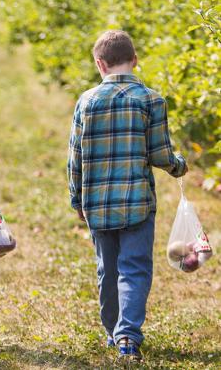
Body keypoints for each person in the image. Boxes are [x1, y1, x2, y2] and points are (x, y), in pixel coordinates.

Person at [67, 30, 188, 361]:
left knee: (107, 267)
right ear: (134, 60)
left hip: (98, 204)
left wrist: (77, 198)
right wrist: (179, 167)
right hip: (136, 203)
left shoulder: (87, 101)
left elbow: (75, 156)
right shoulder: (151, 100)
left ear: (100, 64)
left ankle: (112, 331)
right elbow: (161, 154)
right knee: (134, 268)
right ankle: (128, 337)